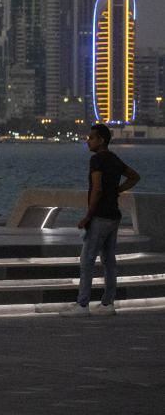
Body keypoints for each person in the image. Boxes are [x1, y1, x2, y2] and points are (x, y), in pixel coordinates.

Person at [57, 123, 140, 317]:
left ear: (102, 139)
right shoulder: (114, 159)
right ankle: (108, 303)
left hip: (100, 216)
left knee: (87, 261)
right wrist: (117, 190)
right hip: (114, 216)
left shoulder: (97, 160)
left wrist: (87, 216)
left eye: (91, 137)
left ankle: (83, 305)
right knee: (109, 261)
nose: (88, 141)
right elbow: (135, 177)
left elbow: (97, 189)